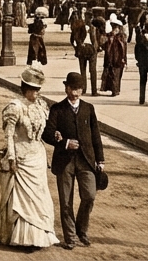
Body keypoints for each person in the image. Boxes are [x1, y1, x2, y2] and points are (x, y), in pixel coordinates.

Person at [0, 67, 59, 250]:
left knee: (39, 197)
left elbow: (45, 131)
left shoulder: (41, 106)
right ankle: (19, 236)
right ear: (24, 89)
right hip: (21, 157)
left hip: (37, 157)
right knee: (21, 199)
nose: (35, 94)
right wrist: (11, 158)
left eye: (37, 90)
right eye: (32, 90)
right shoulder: (15, 107)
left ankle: (38, 236)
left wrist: (55, 135)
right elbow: (9, 136)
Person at [43, 72, 103, 249]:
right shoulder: (57, 109)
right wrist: (65, 143)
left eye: (79, 89)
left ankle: (81, 230)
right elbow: (47, 133)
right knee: (66, 201)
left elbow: (96, 135)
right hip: (64, 161)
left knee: (89, 195)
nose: (76, 93)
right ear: (66, 88)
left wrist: (100, 159)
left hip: (86, 160)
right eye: (72, 89)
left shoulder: (88, 108)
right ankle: (70, 237)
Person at [99, 22, 126, 97]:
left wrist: (124, 59)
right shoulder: (110, 36)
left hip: (117, 59)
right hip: (110, 58)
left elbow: (123, 49)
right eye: (114, 28)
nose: (115, 30)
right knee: (112, 74)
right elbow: (105, 46)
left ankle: (115, 90)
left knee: (116, 75)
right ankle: (114, 90)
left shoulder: (121, 37)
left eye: (116, 28)